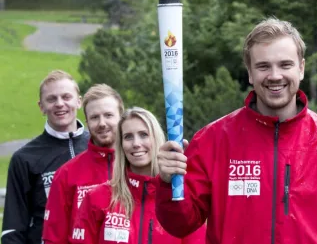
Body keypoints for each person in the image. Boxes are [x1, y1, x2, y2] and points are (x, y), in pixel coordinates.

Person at [155, 17, 317, 243]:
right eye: (263, 66)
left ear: (302, 68)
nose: (275, 76)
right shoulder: (213, 140)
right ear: (250, 72)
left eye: (285, 65)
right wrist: (169, 183)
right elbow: (181, 224)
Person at [70, 107, 206, 244]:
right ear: (121, 145)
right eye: (128, 137)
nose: (136, 144)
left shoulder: (180, 202)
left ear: (156, 139)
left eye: (143, 135)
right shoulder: (97, 198)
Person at [2, 70, 90, 244]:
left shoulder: (100, 148)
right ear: (41, 106)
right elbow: (13, 228)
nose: (60, 104)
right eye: (51, 99)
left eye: (66, 97)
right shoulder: (24, 158)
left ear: (79, 102)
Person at [43, 84, 124, 244]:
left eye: (108, 115)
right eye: (94, 117)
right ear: (86, 121)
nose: (102, 123)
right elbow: (54, 238)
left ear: (121, 117)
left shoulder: (140, 167)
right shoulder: (66, 174)